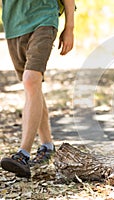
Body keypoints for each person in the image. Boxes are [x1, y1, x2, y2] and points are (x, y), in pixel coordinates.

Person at [0, 0, 75, 178]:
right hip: (14, 25)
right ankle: (47, 146)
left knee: (31, 79)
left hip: (44, 18)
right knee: (33, 86)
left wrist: (69, 27)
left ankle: (23, 155)